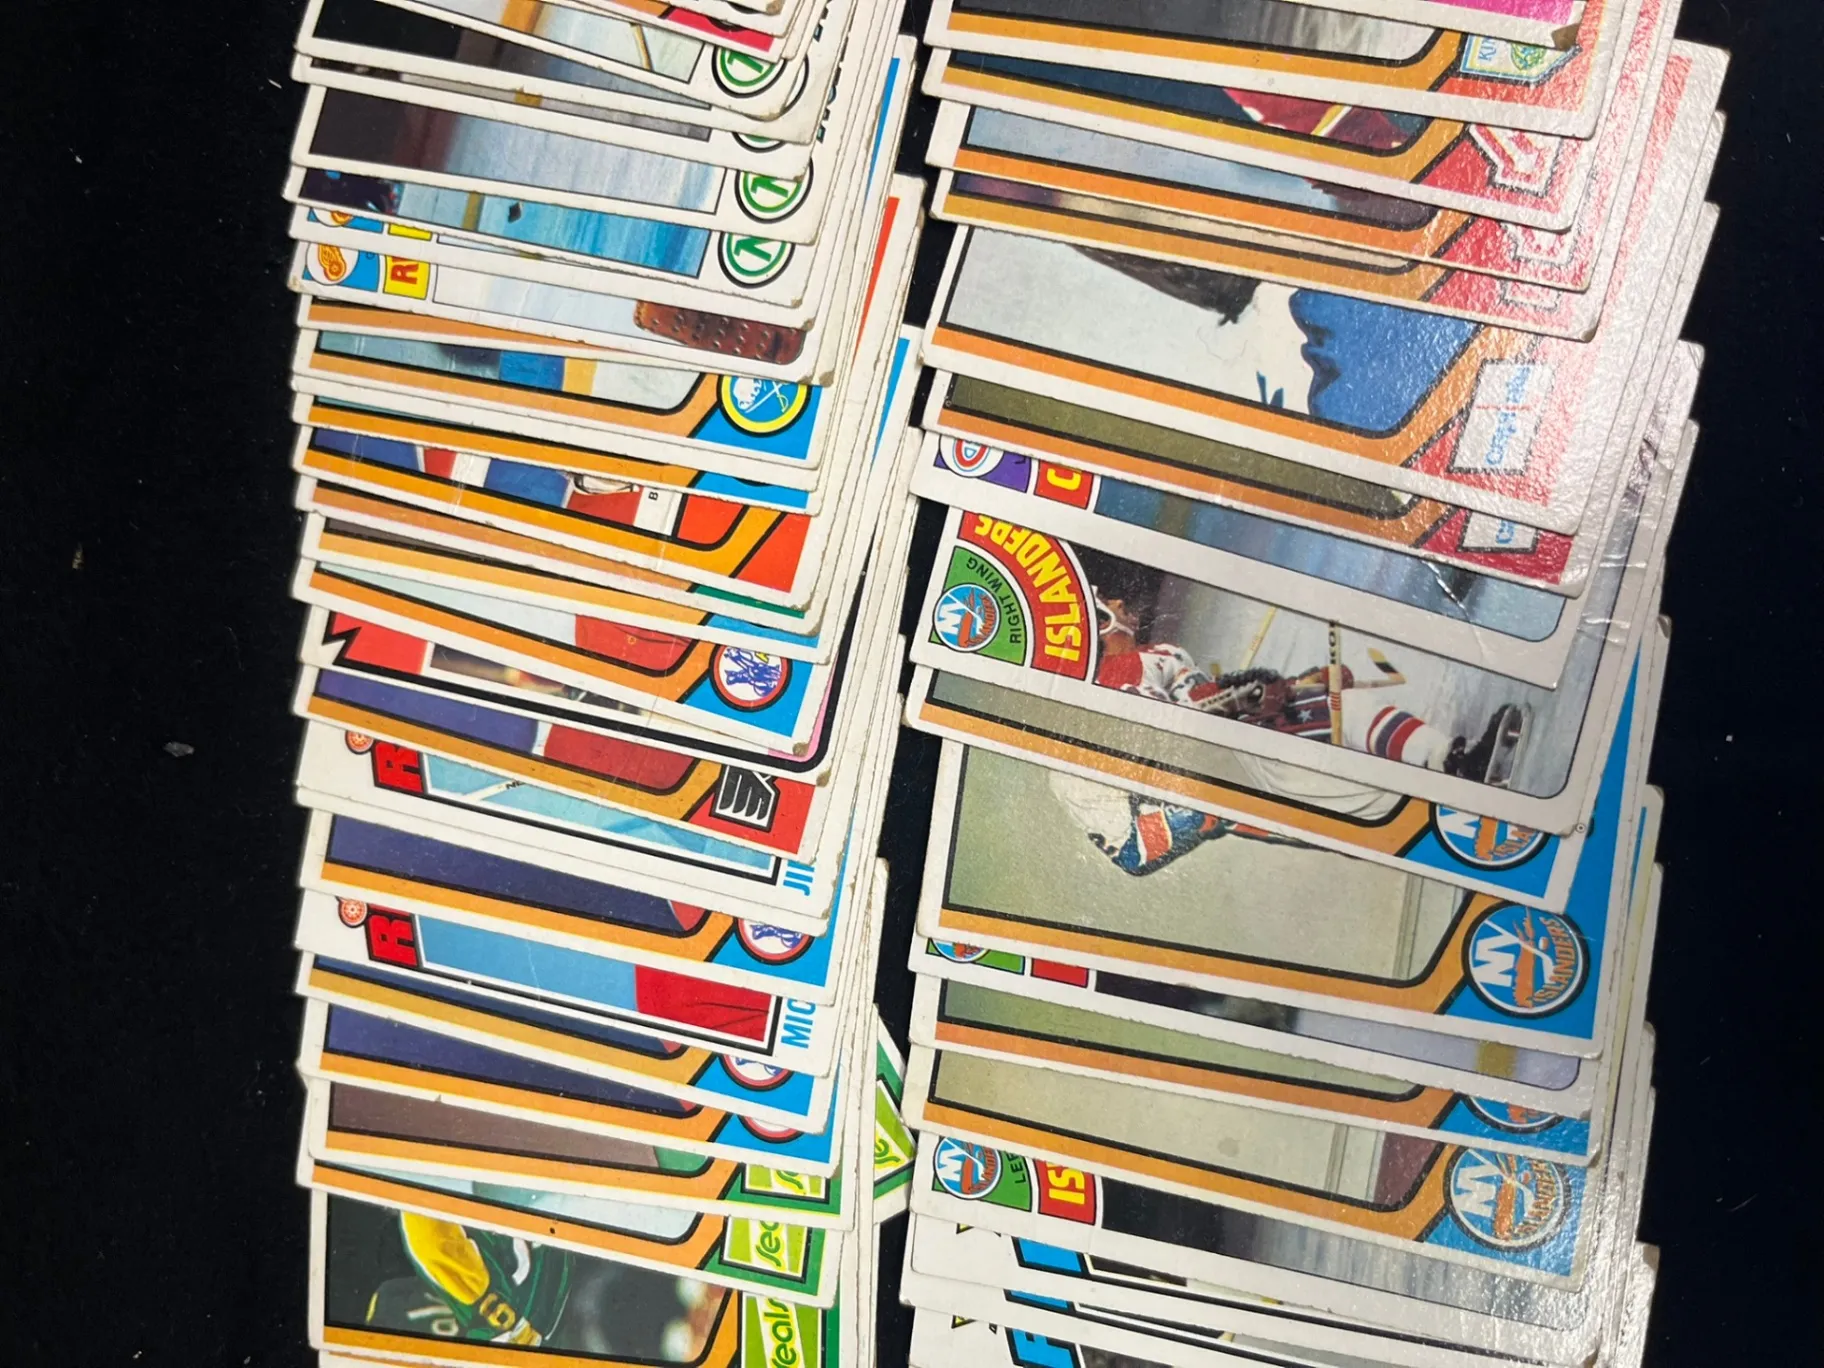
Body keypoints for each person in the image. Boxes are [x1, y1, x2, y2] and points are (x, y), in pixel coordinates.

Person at [1091, 591, 1525, 782]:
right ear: (1100, 624)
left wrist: (1303, 683)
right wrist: (1250, 700)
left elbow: (1205, 698)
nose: (1120, 603)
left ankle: (1446, 766)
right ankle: (1453, 767)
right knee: (1346, 712)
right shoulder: (1118, 673)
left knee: (1341, 704)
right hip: (1239, 760)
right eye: (1109, 604)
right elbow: (1174, 731)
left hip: (1243, 736)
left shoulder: (1149, 654)